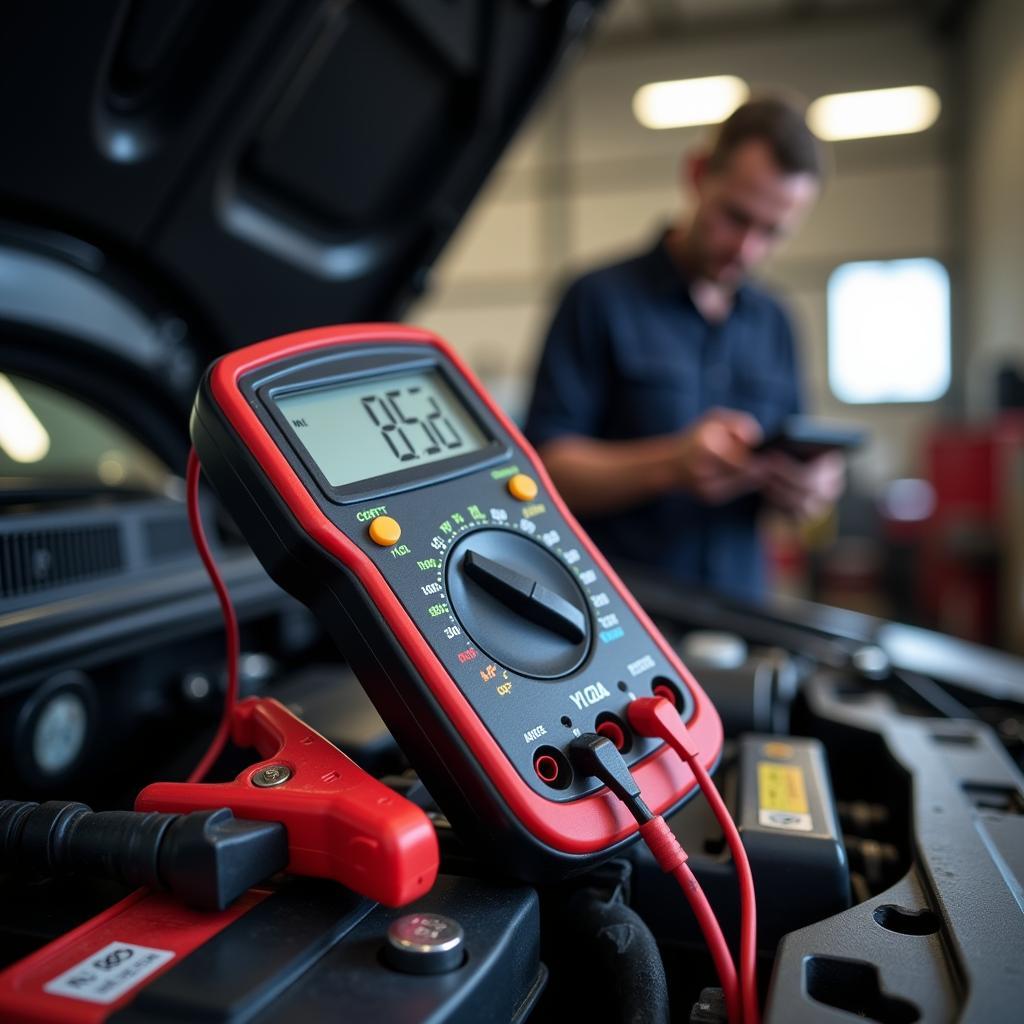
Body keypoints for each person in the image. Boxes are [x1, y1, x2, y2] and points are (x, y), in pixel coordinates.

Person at [523, 97, 845, 602]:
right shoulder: (597, 300)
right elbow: (544, 471)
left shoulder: (776, 323)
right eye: (736, 218)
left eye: (772, 232)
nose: (747, 250)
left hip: (742, 609)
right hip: (622, 610)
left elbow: (799, 474)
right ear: (697, 174)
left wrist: (811, 493)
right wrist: (670, 464)